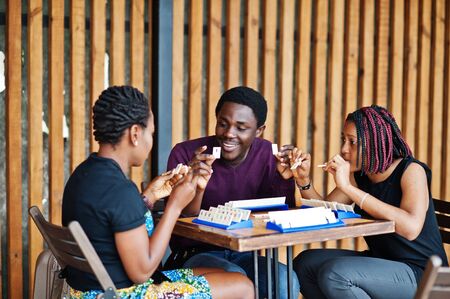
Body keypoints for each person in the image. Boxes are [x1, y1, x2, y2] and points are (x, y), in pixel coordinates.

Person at [61, 86, 254, 299]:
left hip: (89, 290)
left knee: (224, 274)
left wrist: (149, 197)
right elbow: (142, 271)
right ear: (135, 134)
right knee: (242, 287)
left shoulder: (84, 174)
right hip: (124, 294)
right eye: (151, 133)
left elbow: (111, 222)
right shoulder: (120, 190)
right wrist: (175, 206)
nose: (151, 141)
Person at [290, 105, 448, 299]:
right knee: (304, 264)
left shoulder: (412, 171)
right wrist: (304, 181)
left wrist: (348, 188)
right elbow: (325, 213)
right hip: (382, 262)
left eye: (352, 142)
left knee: (336, 274)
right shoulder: (361, 176)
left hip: (422, 274)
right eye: (344, 140)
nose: (344, 150)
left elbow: (411, 228)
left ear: (374, 143)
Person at [165, 86, 300, 298]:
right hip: (194, 255)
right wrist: (196, 186)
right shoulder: (185, 154)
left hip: (246, 254)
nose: (229, 134)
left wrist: (286, 179)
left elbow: (281, 216)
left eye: (241, 127)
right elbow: (180, 227)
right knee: (234, 278)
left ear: (259, 130)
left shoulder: (268, 155)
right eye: (223, 124)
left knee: (285, 280)